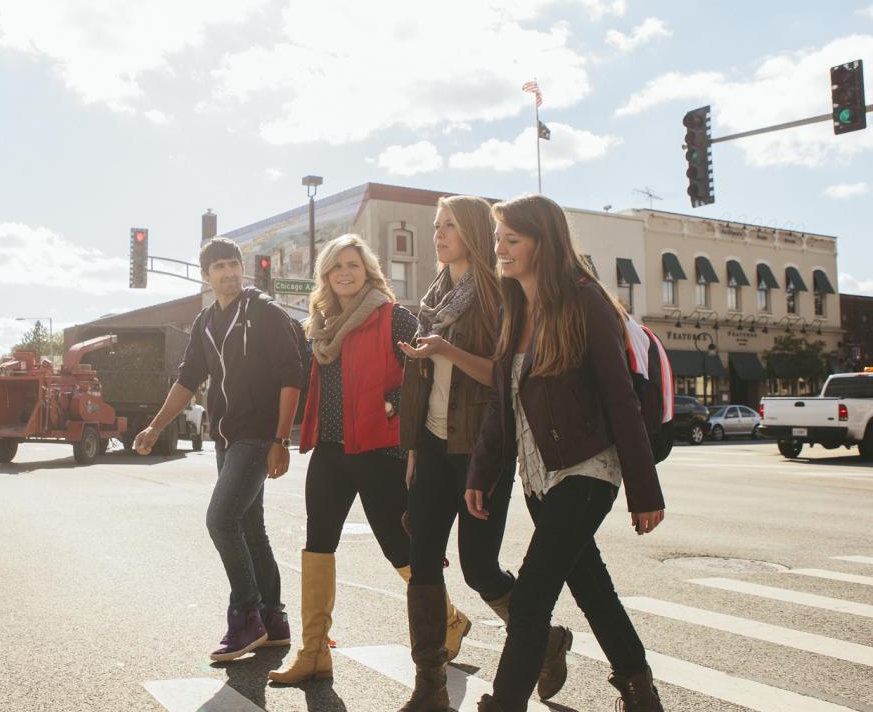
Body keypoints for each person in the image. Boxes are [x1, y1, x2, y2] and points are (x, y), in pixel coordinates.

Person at [469, 194, 666, 712]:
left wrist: (643, 490)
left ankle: (504, 703)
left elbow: (620, 396)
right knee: (591, 586)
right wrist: (481, 473)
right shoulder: (513, 308)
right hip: (539, 478)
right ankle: (637, 684)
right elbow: (500, 403)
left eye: (513, 239)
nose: (501, 248)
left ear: (544, 241)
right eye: (499, 238)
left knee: (532, 597)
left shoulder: (585, 300)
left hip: (586, 470)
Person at [394, 195, 570, 711]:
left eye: (449, 225)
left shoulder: (501, 295)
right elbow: (415, 380)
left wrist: (446, 350)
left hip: (479, 450)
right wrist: (410, 446)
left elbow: (504, 377)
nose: (439, 234)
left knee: (478, 567)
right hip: (430, 445)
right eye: (435, 226)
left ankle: (545, 638)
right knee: (422, 562)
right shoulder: (432, 299)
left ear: (472, 230)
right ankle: (429, 687)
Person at [135, 237, 305, 663]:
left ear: (242, 269)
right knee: (251, 529)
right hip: (225, 440)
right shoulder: (205, 322)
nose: (229, 273)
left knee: (220, 520)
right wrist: (156, 426)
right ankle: (275, 621)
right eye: (220, 267)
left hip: (257, 436)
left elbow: (292, 376)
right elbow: (187, 380)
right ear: (205, 275)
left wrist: (281, 440)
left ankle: (246, 615)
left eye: (234, 265)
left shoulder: (264, 312)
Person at [269, 234, 424, 685]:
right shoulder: (321, 326)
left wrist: (407, 432)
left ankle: (448, 621)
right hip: (332, 450)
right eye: (336, 267)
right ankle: (314, 650)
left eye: (353, 264)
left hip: (381, 448)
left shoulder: (394, 317)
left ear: (368, 270)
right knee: (317, 542)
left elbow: (424, 376)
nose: (345, 273)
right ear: (326, 277)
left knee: (398, 547)